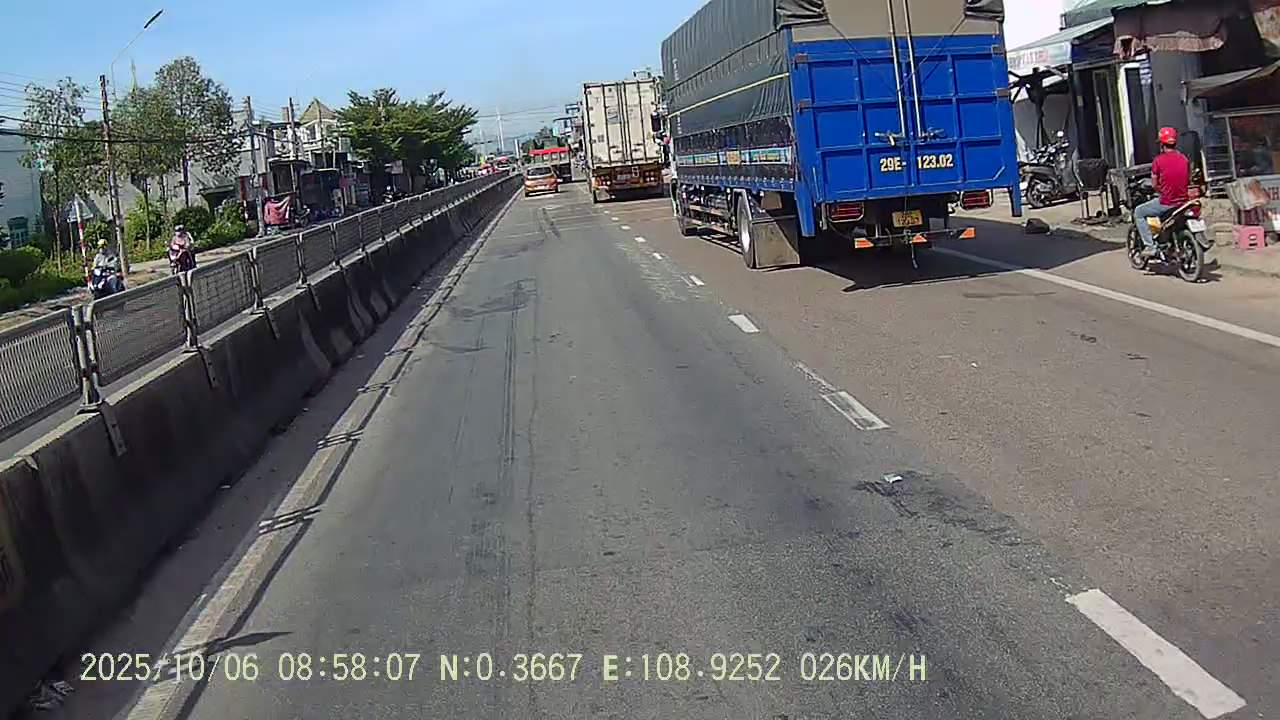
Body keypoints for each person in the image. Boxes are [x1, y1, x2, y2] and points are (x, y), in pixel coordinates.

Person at [1134, 127, 1191, 259]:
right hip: (1183, 201)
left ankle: (1150, 246)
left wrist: (1160, 190)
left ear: (1161, 144)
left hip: (1167, 201)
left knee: (1138, 212)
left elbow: (1154, 184)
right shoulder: (1184, 159)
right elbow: (1187, 178)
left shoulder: (1158, 161)